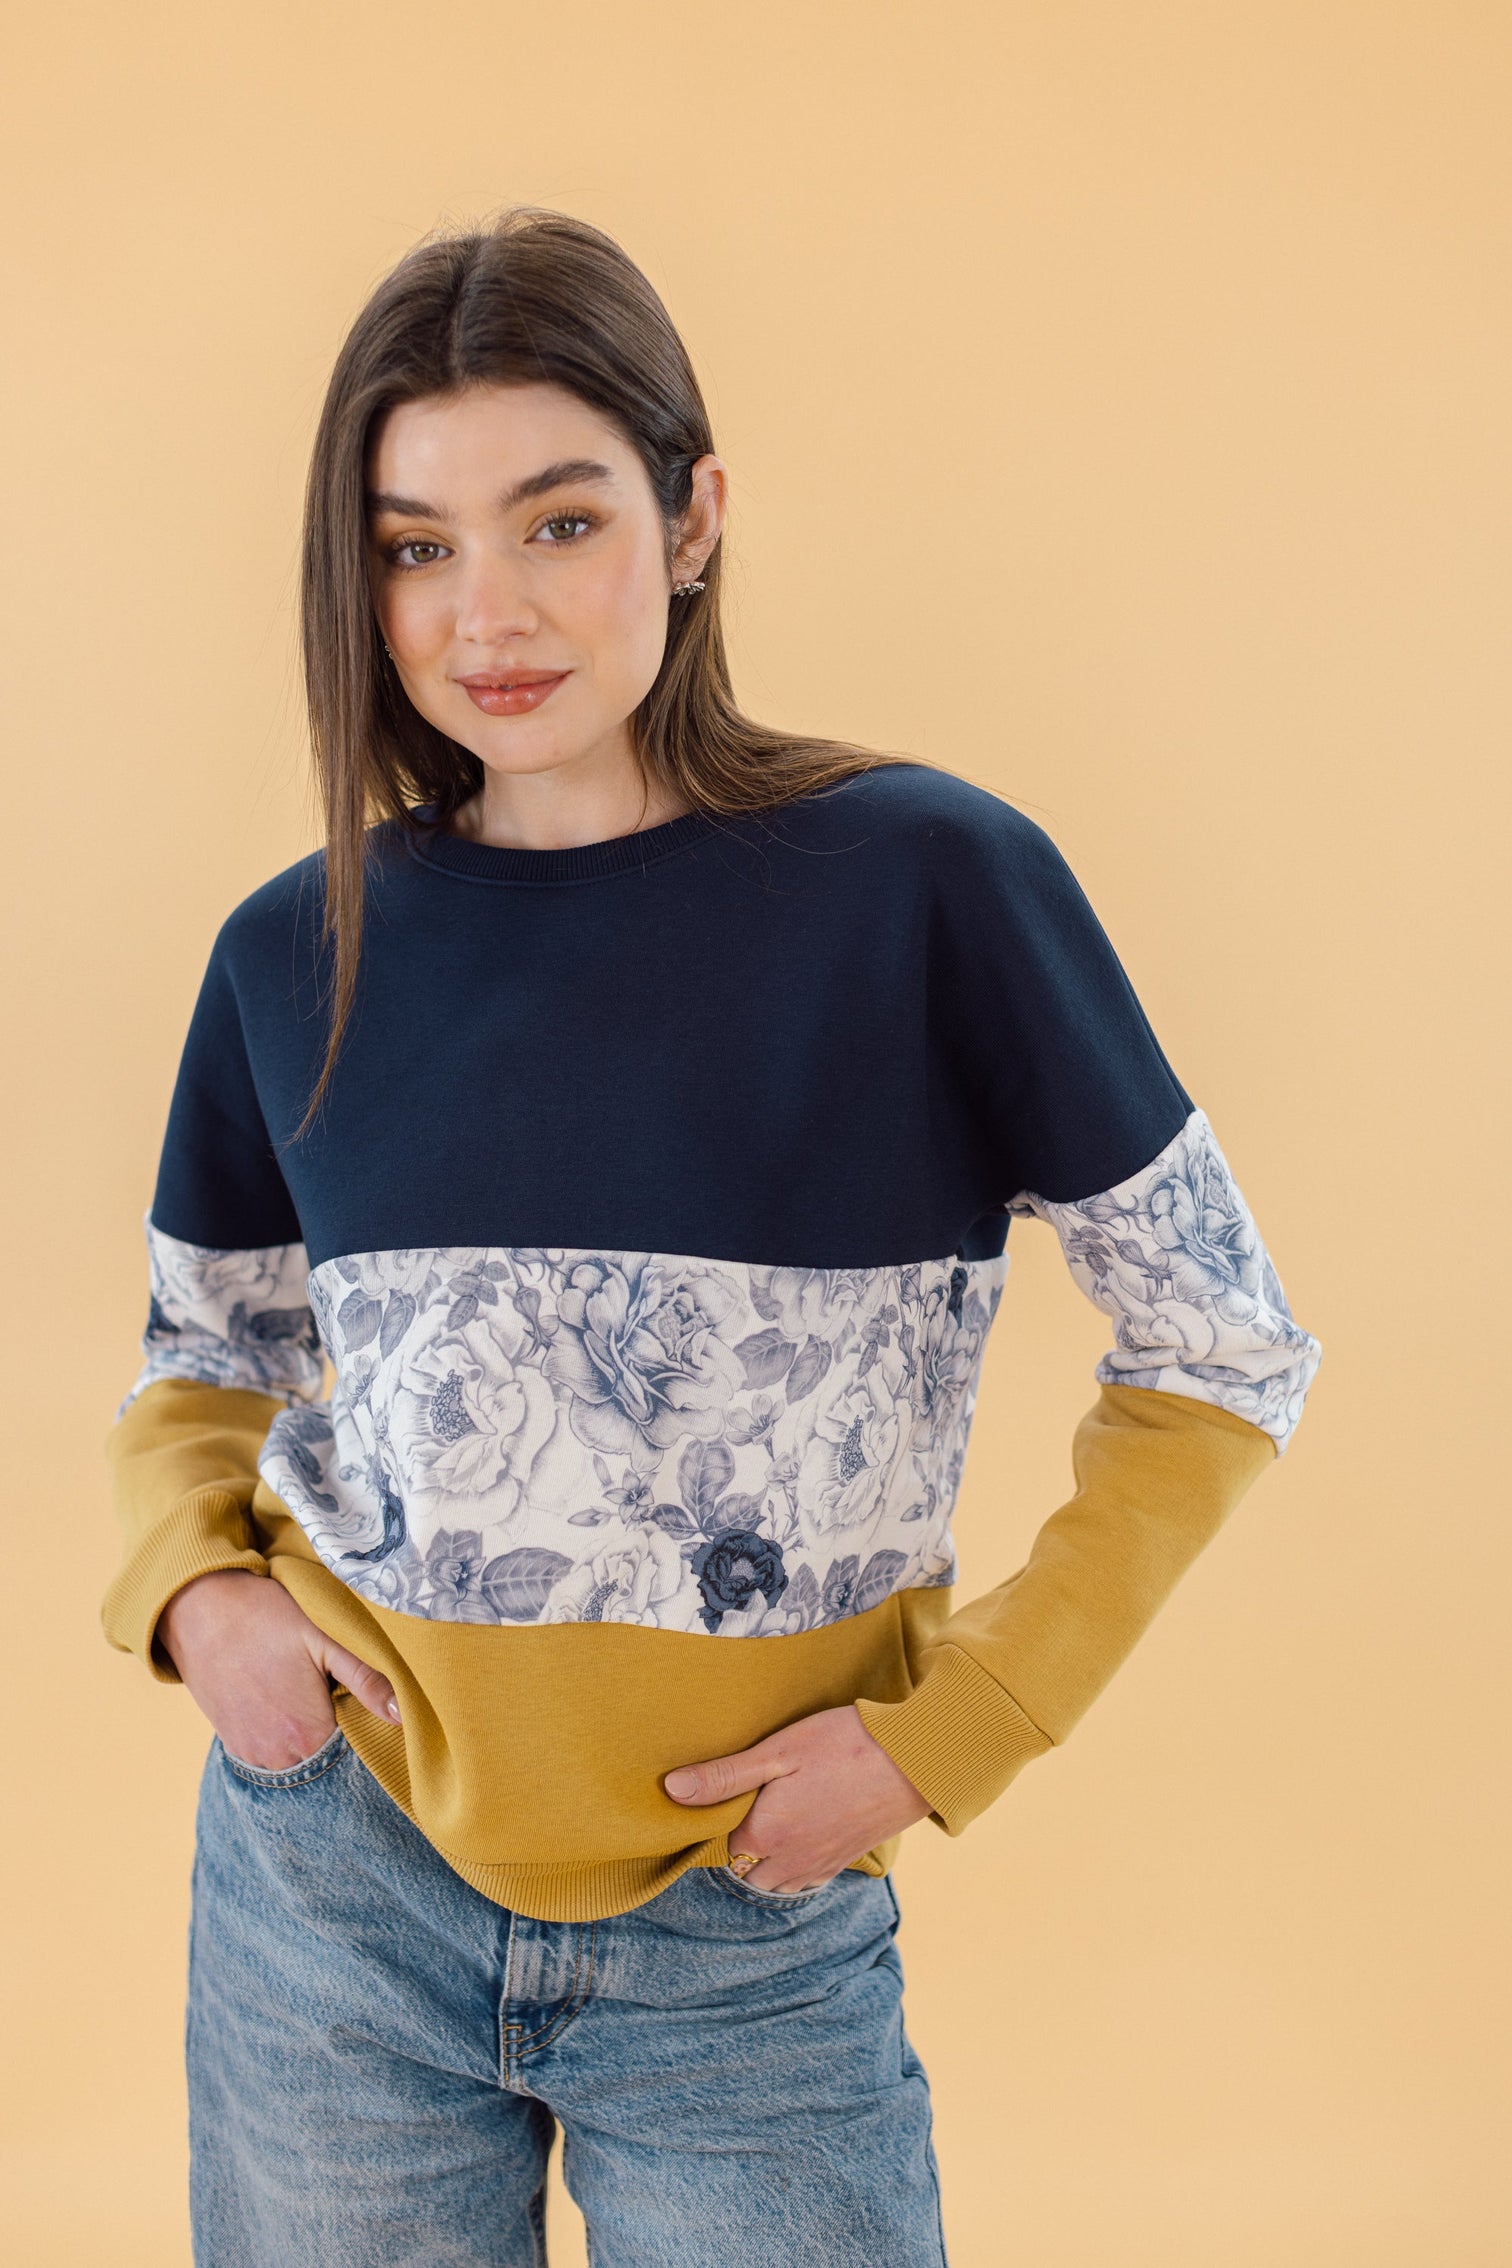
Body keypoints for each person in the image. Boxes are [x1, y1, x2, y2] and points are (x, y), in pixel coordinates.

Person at [102, 205, 1321, 2268]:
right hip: (334, 1900)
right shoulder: (292, 950)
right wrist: (199, 1600)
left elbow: (1223, 1347)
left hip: (744, 1924)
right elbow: (201, 1364)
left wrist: (953, 1734)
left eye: (560, 522)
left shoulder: (930, 886)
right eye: (414, 547)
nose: (485, 611)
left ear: (694, 521)